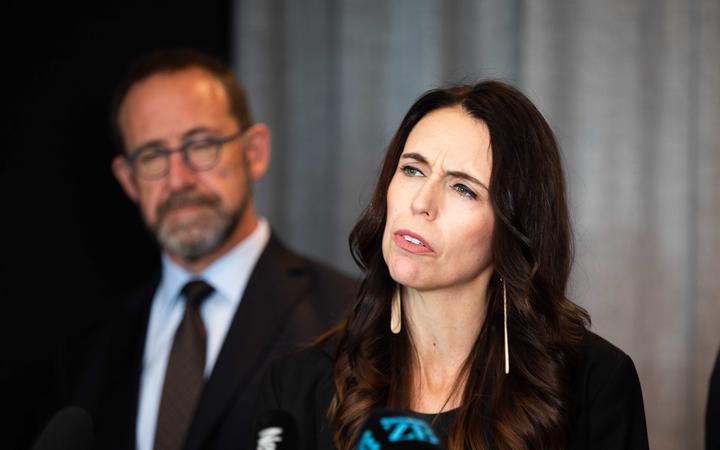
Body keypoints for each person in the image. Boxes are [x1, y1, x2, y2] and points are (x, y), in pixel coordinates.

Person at [255, 81, 650, 449]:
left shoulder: (593, 383)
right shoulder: (299, 384)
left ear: (515, 226)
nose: (422, 203)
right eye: (412, 169)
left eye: (463, 188)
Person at [54, 49, 356, 450]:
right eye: (152, 155)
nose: (178, 179)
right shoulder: (92, 351)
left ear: (254, 152)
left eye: (200, 145)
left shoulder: (349, 318)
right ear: (128, 180)